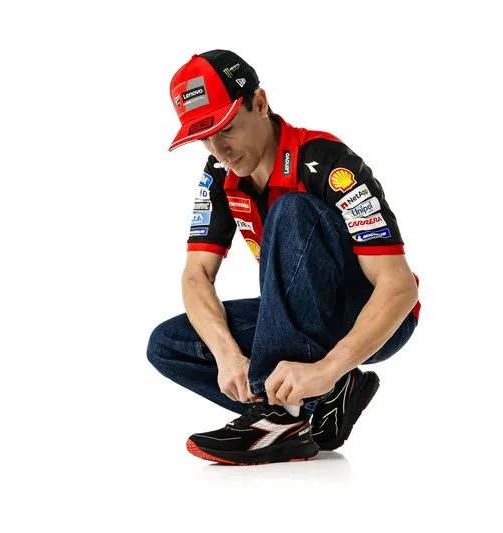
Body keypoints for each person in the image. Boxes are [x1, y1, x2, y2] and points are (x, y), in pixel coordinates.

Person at [147, 49, 421, 465]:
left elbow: (399, 288)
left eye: (227, 129)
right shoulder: (220, 173)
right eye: (205, 137)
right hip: (298, 320)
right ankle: (325, 404)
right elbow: (195, 275)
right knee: (169, 344)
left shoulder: (328, 163)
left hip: (373, 318)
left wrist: (330, 367)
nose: (219, 150)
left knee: (290, 210)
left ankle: (281, 418)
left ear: (260, 103)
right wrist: (226, 354)